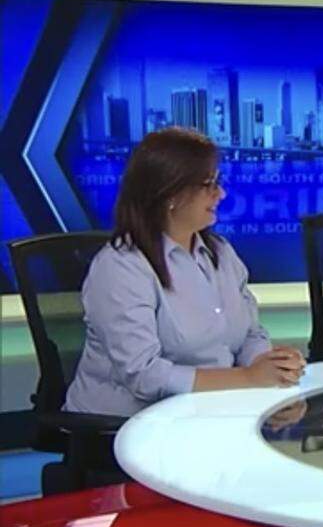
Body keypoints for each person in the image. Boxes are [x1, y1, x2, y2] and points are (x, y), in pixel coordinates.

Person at [66, 128, 305, 417]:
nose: (221, 194)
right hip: (126, 429)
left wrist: (271, 367)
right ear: (171, 194)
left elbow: (250, 334)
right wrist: (249, 378)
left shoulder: (221, 252)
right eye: (209, 184)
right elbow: (145, 376)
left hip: (209, 413)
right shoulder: (120, 267)